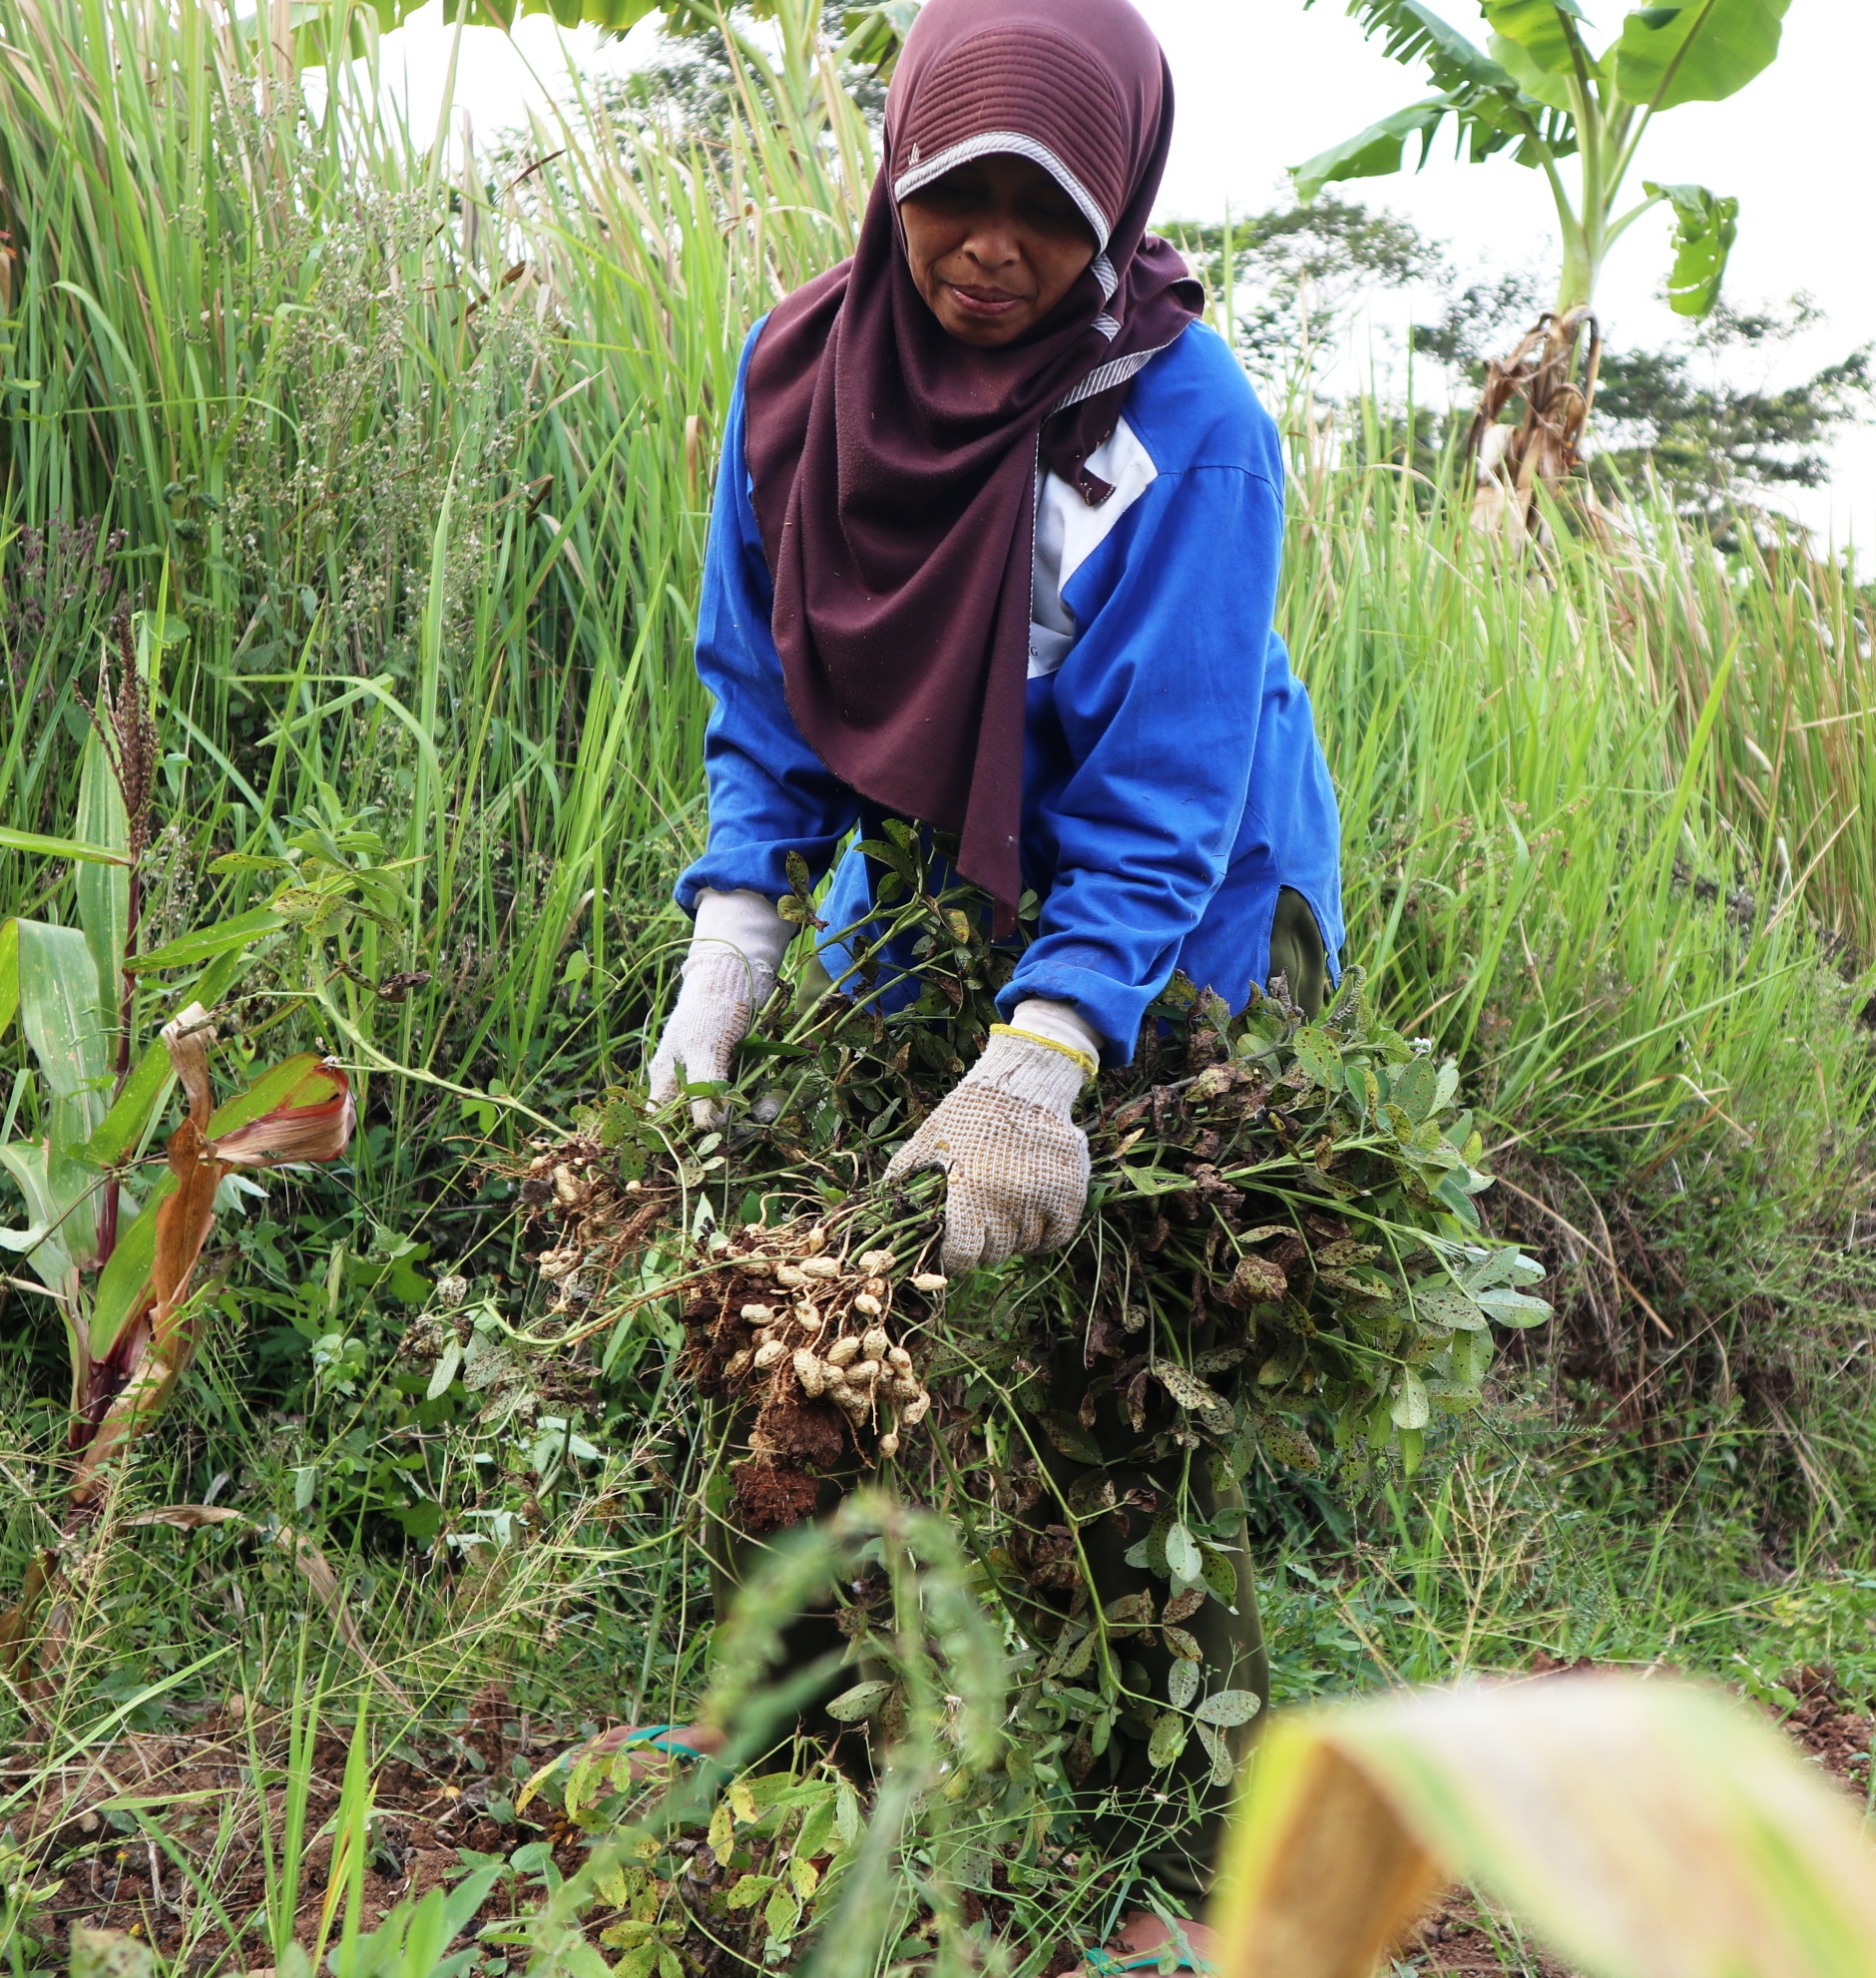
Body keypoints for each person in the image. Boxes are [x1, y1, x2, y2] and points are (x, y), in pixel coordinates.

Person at [610, 0, 1347, 1966]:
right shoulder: (795, 376)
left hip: (1176, 914)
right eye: (956, 199)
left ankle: (1184, 1850)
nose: (991, 251)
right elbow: (760, 684)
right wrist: (735, 928)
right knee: (818, 1326)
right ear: (896, 180)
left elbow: (1170, 786)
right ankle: (781, 1771)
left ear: (1109, 205)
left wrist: (1047, 1053)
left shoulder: (1186, 429)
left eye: (1041, 209)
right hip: (930, 891)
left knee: (1123, 1368)